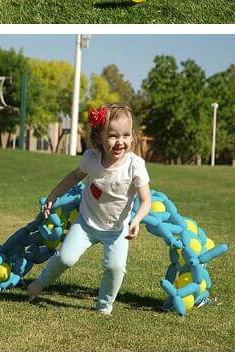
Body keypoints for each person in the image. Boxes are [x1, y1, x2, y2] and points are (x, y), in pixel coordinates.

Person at [26, 104, 152, 314]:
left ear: (132, 136)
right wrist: (54, 194)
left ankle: (104, 306)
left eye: (126, 135)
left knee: (115, 267)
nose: (120, 141)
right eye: (112, 135)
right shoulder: (91, 158)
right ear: (99, 136)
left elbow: (146, 200)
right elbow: (75, 176)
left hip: (117, 231)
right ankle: (40, 283)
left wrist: (137, 219)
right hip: (86, 223)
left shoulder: (135, 165)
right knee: (66, 258)